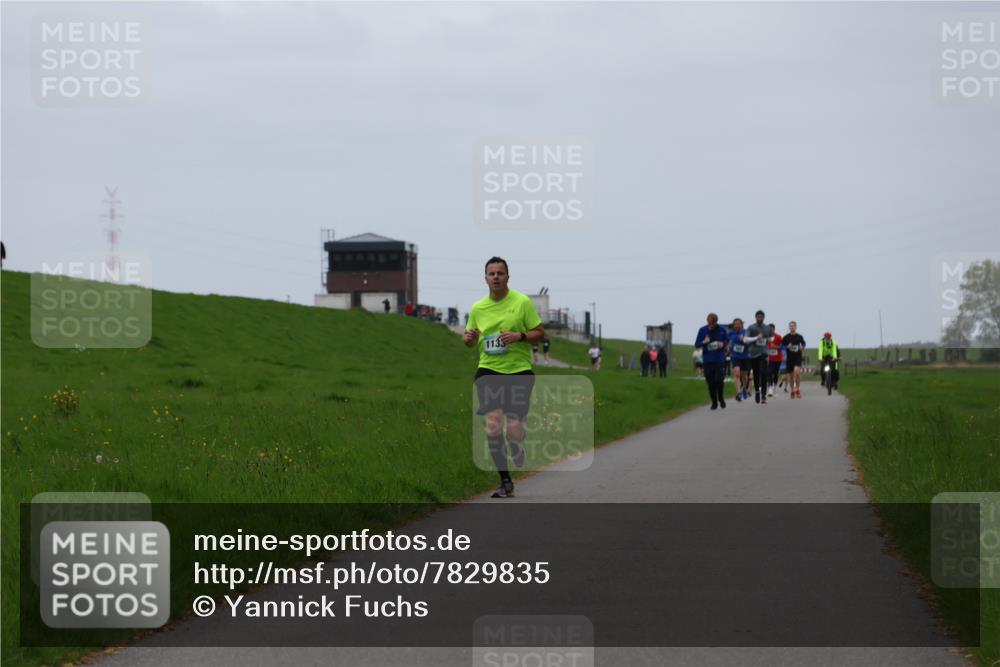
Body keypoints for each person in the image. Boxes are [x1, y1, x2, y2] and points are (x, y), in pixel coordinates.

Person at [463, 257, 544, 499]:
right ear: (485, 278)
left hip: (519, 370)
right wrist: (467, 339)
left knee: (514, 427)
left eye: (500, 273)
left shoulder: (522, 302)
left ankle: (517, 446)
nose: (496, 277)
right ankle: (505, 481)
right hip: (488, 370)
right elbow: (469, 338)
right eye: (491, 273)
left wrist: (519, 336)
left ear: (508, 277)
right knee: (493, 424)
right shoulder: (478, 308)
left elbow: (540, 333)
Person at [695, 312, 729, 410]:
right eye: (710, 324)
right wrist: (704, 342)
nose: (711, 326)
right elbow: (696, 344)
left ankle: (721, 398)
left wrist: (722, 344)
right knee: (710, 382)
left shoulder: (722, 330)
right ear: (707, 322)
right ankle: (714, 402)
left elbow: (727, 340)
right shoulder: (702, 330)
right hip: (707, 360)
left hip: (719, 359)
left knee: (719, 380)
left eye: (713, 324)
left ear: (716, 322)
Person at [744, 310, 770, 404]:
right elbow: (745, 340)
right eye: (758, 317)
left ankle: (763, 395)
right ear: (755, 318)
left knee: (764, 373)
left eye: (761, 317)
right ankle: (757, 392)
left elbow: (769, 339)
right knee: (756, 374)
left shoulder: (767, 328)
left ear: (764, 318)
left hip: (764, 353)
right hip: (753, 354)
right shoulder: (751, 328)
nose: (760, 318)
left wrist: (767, 342)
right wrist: (756, 338)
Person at [728, 318, 751, 401]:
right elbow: (728, 343)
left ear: (741, 324)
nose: (736, 325)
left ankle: (744, 389)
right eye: (735, 324)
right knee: (737, 374)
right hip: (735, 356)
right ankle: (738, 392)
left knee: (744, 376)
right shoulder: (730, 333)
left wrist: (744, 340)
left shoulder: (746, 332)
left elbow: (750, 342)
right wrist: (729, 347)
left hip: (745, 357)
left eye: (738, 324)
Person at [783, 321, 806, 398]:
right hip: (789, 358)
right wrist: (786, 346)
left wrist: (802, 347)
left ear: (796, 327)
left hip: (797, 357)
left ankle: (798, 389)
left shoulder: (799, 336)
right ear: (789, 327)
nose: (792, 327)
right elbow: (781, 345)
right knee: (791, 376)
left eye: (793, 326)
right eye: (791, 326)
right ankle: (792, 390)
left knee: (797, 372)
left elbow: (804, 343)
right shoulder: (786, 337)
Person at [766, 323, 783, 397]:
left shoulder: (778, 337)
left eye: (771, 329)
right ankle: (770, 386)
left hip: (778, 359)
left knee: (775, 373)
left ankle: (774, 386)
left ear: (773, 329)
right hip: (769, 359)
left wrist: (775, 346)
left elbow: (782, 347)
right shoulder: (766, 337)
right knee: (769, 372)